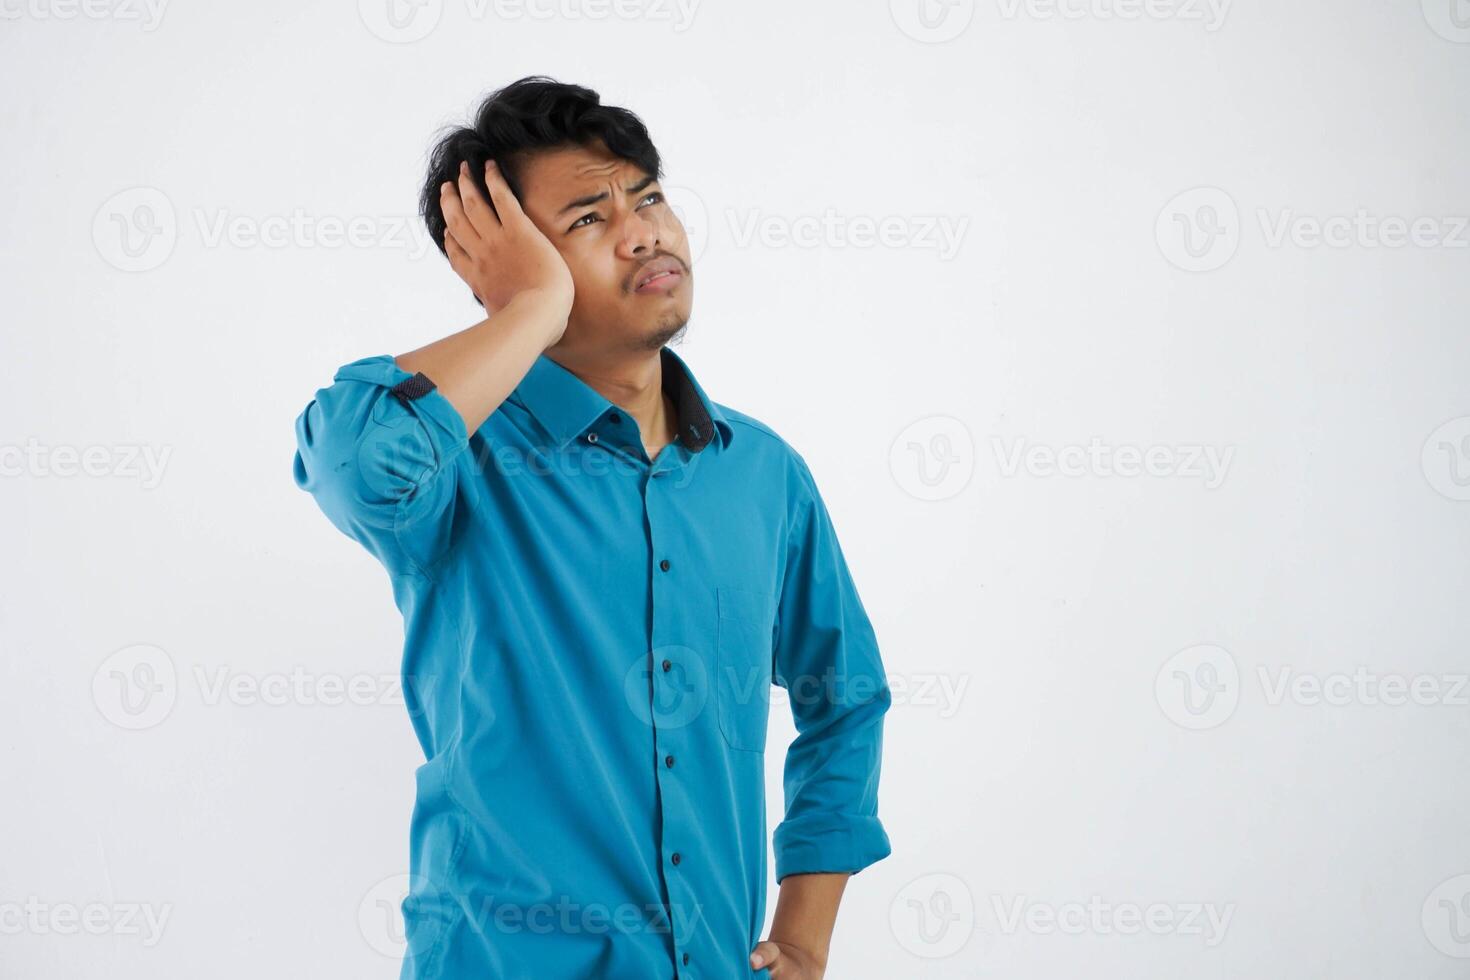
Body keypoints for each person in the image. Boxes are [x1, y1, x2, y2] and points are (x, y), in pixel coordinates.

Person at [292, 75, 892, 979]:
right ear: (508, 264)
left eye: (648, 196)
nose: (645, 230)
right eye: (587, 220)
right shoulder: (458, 458)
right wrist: (530, 315)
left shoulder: (762, 472)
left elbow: (844, 697)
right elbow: (351, 464)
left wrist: (803, 937)